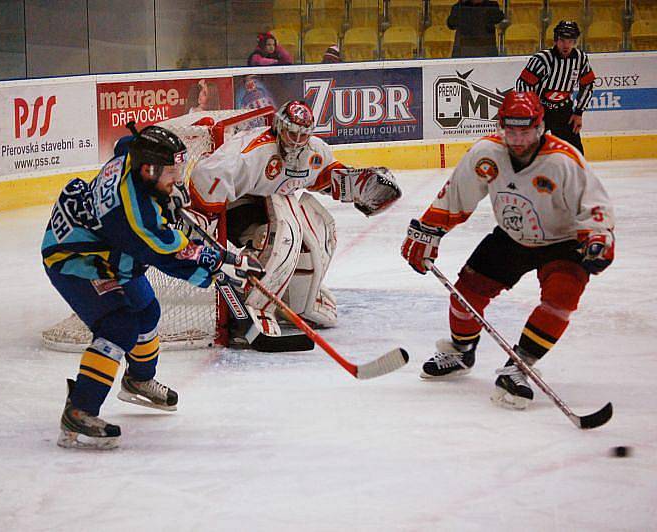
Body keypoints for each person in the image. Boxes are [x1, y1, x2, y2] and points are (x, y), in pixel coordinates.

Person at [42, 125, 263, 449]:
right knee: (119, 326)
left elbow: (123, 143)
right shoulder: (131, 218)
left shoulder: (133, 155)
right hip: (76, 260)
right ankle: (79, 410)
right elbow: (167, 256)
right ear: (149, 169)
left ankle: (138, 381)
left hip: (104, 244)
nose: (176, 178)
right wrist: (219, 266)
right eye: (171, 173)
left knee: (147, 311)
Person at [400, 91, 615, 409]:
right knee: (465, 293)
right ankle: (461, 352)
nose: (517, 139)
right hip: (513, 237)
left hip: (564, 242)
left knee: (561, 299)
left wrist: (598, 239)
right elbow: (457, 194)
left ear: (540, 127)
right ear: (501, 126)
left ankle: (520, 365)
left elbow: (594, 205)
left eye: (525, 130)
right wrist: (431, 229)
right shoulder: (487, 153)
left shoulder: (562, 160)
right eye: (510, 130)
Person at [188, 100, 401, 347]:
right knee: (283, 234)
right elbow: (206, 175)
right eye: (292, 133)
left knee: (322, 229)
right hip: (237, 208)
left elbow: (323, 177)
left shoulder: (312, 152)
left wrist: (356, 185)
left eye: (303, 136)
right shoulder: (252, 152)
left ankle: (300, 298)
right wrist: (205, 218)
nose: (297, 141)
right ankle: (255, 304)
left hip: (268, 203)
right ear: (279, 126)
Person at [515, 20, 595, 154]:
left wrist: (579, 112)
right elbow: (523, 84)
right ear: (556, 40)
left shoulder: (580, 58)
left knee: (574, 153)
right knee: (527, 150)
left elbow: (587, 84)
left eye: (570, 41)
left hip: (564, 111)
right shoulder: (542, 59)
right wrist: (531, 111)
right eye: (563, 40)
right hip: (540, 110)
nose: (566, 45)